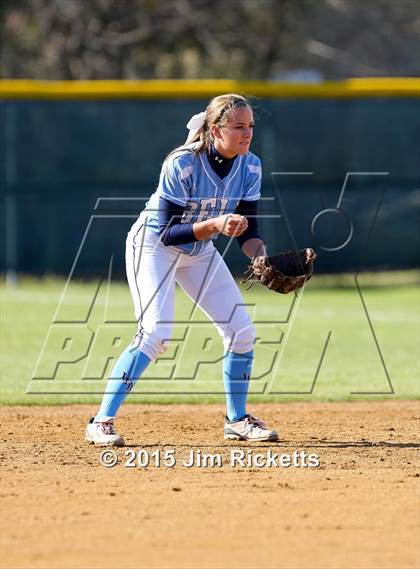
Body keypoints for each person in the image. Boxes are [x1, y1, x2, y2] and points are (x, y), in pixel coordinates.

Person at [85, 93, 278, 446]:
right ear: (216, 129)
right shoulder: (183, 163)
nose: (247, 133)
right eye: (238, 126)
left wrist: (260, 256)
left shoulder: (250, 166)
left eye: (250, 126)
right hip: (153, 247)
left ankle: (236, 420)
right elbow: (168, 231)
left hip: (200, 250)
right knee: (156, 332)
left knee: (242, 331)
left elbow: (249, 229)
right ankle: (101, 421)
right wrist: (218, 224)